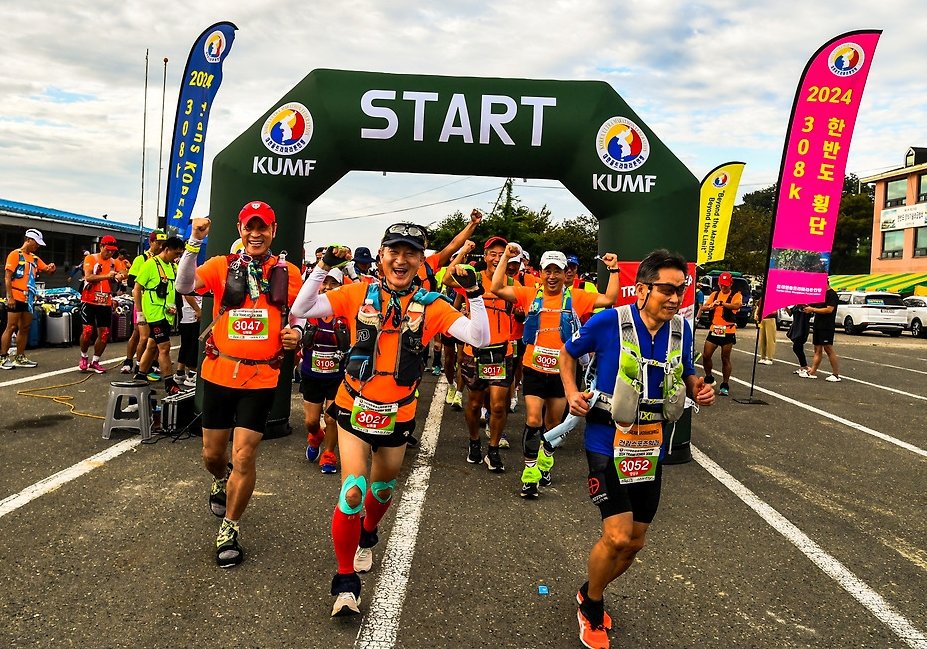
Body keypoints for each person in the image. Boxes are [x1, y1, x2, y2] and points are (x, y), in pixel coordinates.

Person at [290, 222, 490, 617]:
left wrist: (476, 294)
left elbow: (479, 337)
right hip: (353, 405)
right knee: (352, 491)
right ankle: (345, 581)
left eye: (411, 253)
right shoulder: (357, 293)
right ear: (382, 255)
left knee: (380, 492)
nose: (401, 260)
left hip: (398, 413)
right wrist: (322, 268)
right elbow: (301, 309)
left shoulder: (431, 304)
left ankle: (368, 533)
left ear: (420, 260)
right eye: (394, 252)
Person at [560, 249, 715, 649]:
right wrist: (572, 391)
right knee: (616, 536)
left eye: (680, 290)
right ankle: (591, 606)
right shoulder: (609, 321)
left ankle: (587, 589)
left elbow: (690, 371)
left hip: (649, 446)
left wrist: (699, 386)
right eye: (667, 289)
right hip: (604, 439)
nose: (675, 297)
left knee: (635, 543)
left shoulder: (681, 330)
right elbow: (568, 353)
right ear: (642, 288)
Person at [174, 202, 303, 569]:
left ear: (274, 231)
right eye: (250, 227)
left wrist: (297, 333)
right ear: (240, 229)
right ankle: (220, 479)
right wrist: (194, 242)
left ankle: (230, 527)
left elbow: (301, 314)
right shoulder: (220, 266)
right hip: (218, 374)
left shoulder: (289, 272)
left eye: (263, 228)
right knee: (212, 456)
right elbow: (185, 285)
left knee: (245, 455)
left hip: (262, 377)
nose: (256, 233)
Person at [491, 247, 621, 498]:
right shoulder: (529, 294)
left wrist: (614, 269)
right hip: (533, 369)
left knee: (553, 425)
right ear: (540, 273)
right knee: (532, 420)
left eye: (557, 271)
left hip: (562, 374)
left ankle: (545, 463)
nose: (552, 276)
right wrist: (506, 257)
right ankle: (529, 476)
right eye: (547, 271)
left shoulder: (577, 298)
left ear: (565, 274)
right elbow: (497, 288)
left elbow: (609, 299)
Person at [460, 235, 519, 472]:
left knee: (497, 406)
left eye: (501, 254)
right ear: (485, 257)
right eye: (492, 254)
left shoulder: (514, 282)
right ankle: (474, 441)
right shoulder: (471, 277)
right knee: (474, 405)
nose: (496, 258)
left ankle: (492, 449)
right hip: (473, 351)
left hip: (502, 352)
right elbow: (446, 277)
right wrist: (463, 249)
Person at [298, 267, 350, 475]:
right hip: (311, 374)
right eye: (324, 283)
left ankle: (329, 454)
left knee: (331, 418)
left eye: (333, 283)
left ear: (340, 287)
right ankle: (315, 437)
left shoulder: (346, 313)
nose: (327, 287)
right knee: (311, 421)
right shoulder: (308, 311)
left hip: (337, 376)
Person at [132, 236, 185, 394]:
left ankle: (140, 378)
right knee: (164, 347)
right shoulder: (150, 264)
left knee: (152, 346)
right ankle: (170, 383)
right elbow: (136, 289)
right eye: (175, 253)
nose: (177, 257)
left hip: (167, 314)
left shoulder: (172, 266)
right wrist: (140, 314)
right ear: (166, 249)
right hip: (154, 314)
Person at [1, 228, 56, 369]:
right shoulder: (15, 255)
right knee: (11, 326)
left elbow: (48, 271)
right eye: (36, 243)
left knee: (25, 327)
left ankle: (19, 357)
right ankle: (2, 357)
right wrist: (10, 297)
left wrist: (51, 268)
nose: (37, 246)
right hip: (16, 295)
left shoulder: (35, 258)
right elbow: (7, 277)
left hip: (29, 298)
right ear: (28, 240)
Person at [122, 230, 167, 374]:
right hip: (141, 301)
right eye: (158, 243)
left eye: (163, 244)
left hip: (157, 304)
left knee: (154, 336)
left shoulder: (164, 260)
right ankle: (132, 362)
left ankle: (150, 364)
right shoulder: (141, 259)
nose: (160, 247)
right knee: (140, 335)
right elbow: (130, 281)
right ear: (151, 242)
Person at [78, 236, 125, 373]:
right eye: (107, 250)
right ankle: (84, 356)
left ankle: (96, 361)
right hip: (89, 300)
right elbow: (88, 277)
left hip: (105, 302)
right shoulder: (91, 258)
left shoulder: (113, 262)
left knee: (104, 333)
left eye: (112, 251)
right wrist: (107, 276)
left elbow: (123, 272)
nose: (110, 253)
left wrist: (121, 275)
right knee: (87, 331)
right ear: (101, 246)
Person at [697, 271, 742, 396]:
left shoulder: (736, 295)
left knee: (725, 358)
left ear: (731, 283)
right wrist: (711, 306)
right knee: (706, 355)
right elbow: (703, 307)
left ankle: (725, 384)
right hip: (714, 329)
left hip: (728, 330)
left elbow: (737, 305)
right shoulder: (715, 294)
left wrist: (723, 304)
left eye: (726, 285)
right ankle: (709, 377)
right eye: (722, 284)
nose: (724, 287)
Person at [804, 282, 841, 381]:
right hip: (818, 325)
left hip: (827, 326)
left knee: (828, 348)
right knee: (817, 349)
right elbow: (813, 305)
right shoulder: (820, 294)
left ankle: (836, 374)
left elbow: (829, 309)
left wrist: (813, 309)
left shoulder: (832, 294)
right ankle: (812, 372)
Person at [176, 293, 202, 387]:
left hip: (188, 314)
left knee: (186, 343)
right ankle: (192, 374)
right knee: (193, 344)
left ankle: (180, 372)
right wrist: (198, 310)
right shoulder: (193, 279)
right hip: (192, 314)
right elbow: (187, 293)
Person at [787, 303, 813, 376]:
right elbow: (790, 313)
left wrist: (805, 307)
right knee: (799, 347)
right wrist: (786, 307)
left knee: (797, 347)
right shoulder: (796, 305)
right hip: (796, 327)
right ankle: (803, 366)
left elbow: (810, 313)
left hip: (802, 327)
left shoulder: (806, 305)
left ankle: (805, 367)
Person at [755, 295, 776, 365]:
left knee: (770, 339)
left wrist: (765, 311)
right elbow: (758, 306)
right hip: (762, 319)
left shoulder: (772, 298)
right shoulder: (762, 298)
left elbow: (775, 311)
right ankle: (762, 357)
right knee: (762, 339)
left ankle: (770, 358)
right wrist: (756, 314)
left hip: (770, 319)